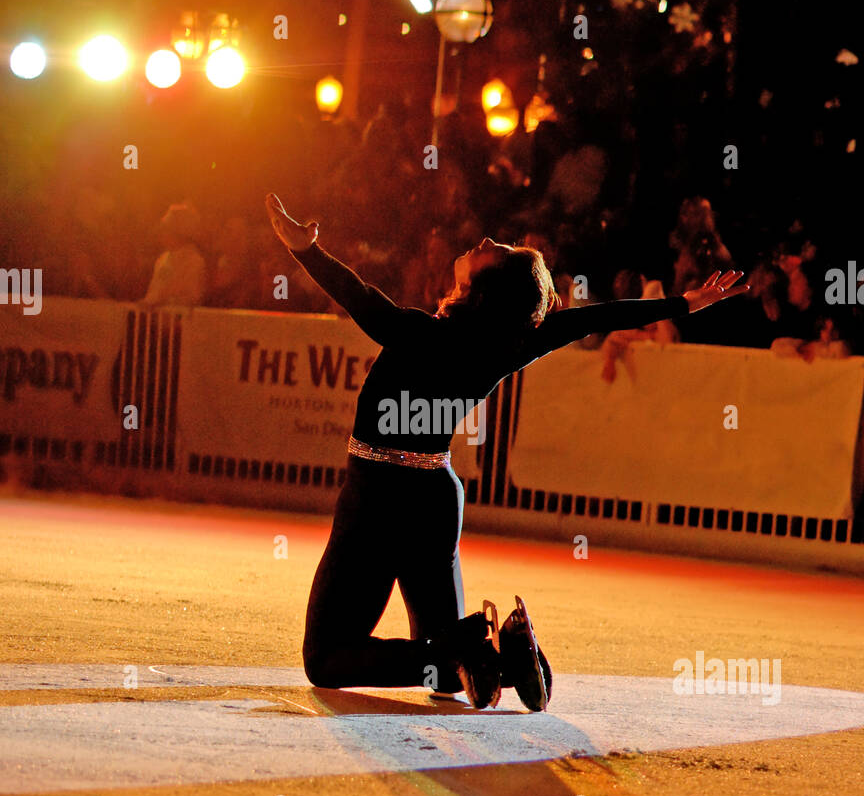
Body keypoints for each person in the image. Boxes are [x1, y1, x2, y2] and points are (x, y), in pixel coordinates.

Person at [265, 192, 747, 709]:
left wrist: (306, 251)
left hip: (378, 499)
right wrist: (681, 305)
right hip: (434, 501)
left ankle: (472, 648)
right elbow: (594, 318)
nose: (487, 240)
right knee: (449, 677)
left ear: (481, 287)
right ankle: (507, 652)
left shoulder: (419, 334)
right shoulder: (510, 343)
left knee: (325, 659)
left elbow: (358, 296)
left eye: (493, 252)